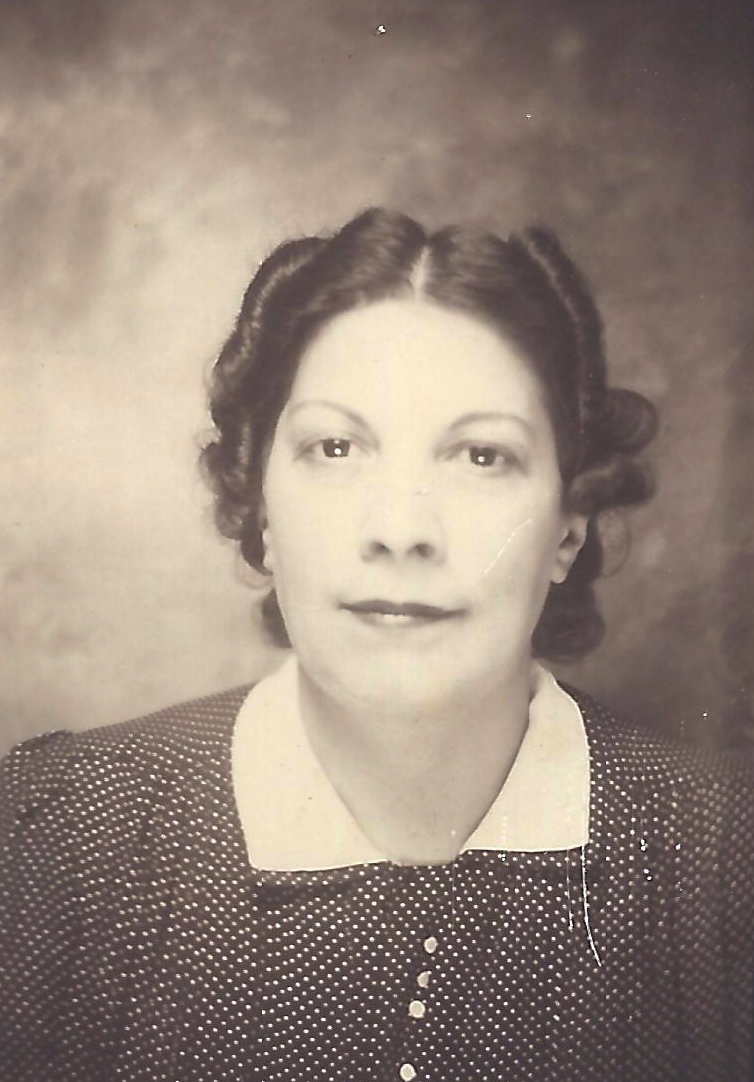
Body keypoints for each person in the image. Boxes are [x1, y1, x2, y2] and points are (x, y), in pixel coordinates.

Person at [1, 207, 753, 1081]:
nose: (401, 530)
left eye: (480, 456)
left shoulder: (725, 860)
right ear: (260, 509)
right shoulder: (53, 838)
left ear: (568, 528)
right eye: (335, 447)